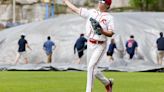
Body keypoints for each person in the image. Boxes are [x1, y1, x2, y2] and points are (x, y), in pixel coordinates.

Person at [63, 0, 115, 92]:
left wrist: (102, 31)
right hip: (90, 43)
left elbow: (111, 33)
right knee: (93, 69)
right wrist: (66, 1)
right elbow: (76, 9)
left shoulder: (109, 17)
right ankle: (107, 83)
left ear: (107, 5)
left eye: (102, 2)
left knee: (91, 67)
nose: (99, 3)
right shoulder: (91, 12)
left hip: (100, 45)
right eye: (99, 1)